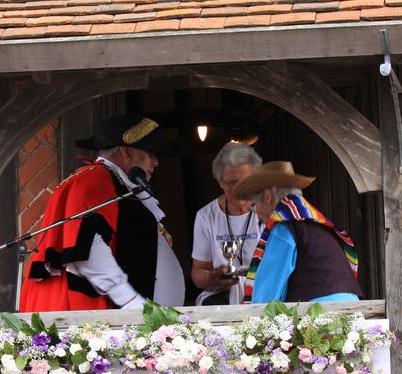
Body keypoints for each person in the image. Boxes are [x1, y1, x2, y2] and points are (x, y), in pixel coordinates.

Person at [19, 114, 185, 312]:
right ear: (126, 152)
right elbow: (87, 245)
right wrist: (129, 300)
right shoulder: (96, 179)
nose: (155, 162)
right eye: (150, 153)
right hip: (87, 313)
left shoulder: (114, 181)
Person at [232, 161, 362, 304]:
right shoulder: (316, 224)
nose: (255, 211)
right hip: (351, 308)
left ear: (268, 196)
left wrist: (250, 320)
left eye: (254, 203)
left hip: (320, 312)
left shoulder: (284, 227)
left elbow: (266, 294)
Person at [191, 142, 263, 305]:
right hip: (222, 296)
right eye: (232, 183)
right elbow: (198, 270)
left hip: (263, 292)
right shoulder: (206, 216)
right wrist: (211, 278)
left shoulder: (267, 211)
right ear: (220, 181)